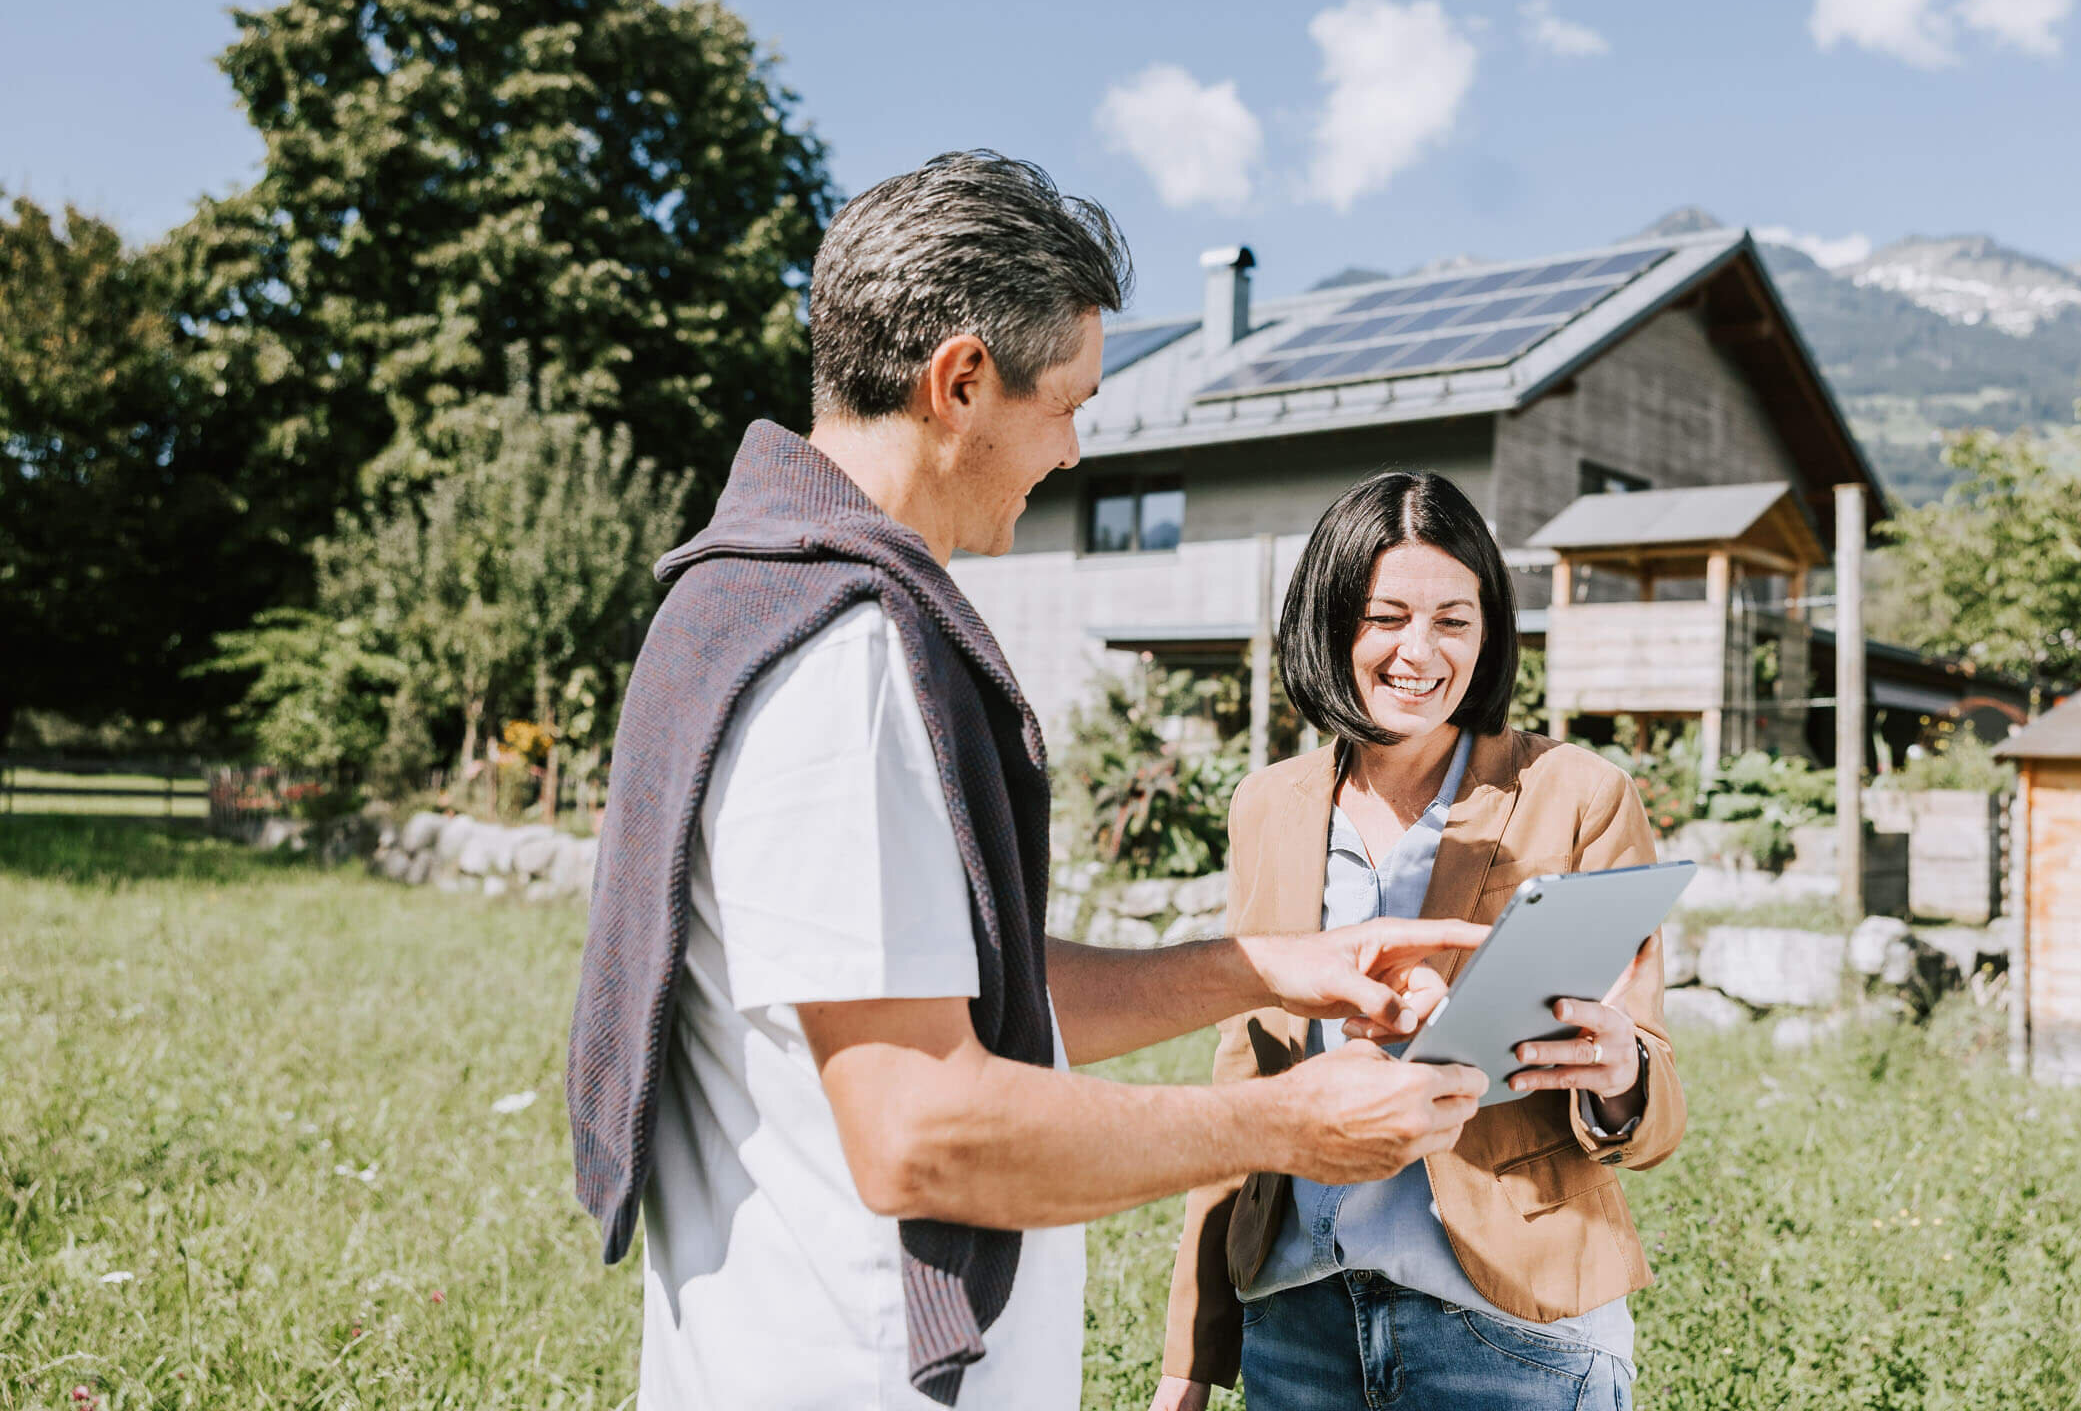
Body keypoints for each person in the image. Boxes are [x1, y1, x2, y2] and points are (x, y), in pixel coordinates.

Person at [563, 152, 1491, 1411]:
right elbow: (924, 1127)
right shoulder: (845, 657)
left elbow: (950, 982)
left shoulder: (750, 597)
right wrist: (1291, 1125)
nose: (1070, 450)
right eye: (1067, 403)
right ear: (960, 381)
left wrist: (1267, 968)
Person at [1154, 471, 1686, 1411]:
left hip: (1508, 1333)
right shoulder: (1267, 806)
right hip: (1297, 1322)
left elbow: (1652, 1083)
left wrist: (1621, 1075)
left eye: (1453, 620)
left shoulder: (1580, 794)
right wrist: (1190, 1364)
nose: (1420, 652)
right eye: (1385, 616)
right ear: (1330, 624)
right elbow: (1247, 1070)